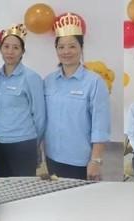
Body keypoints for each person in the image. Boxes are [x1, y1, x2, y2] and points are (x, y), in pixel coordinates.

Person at [44, 13, 110, 180]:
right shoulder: (48, 81)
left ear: (81, 48)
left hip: (80, 160)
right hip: (52, 156)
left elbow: (100, 125)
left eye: (72, 46)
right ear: (56, 50)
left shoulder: (94, 82)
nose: (66, 51)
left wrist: (96, 160)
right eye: (61, 47)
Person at [0, 24, 45, 177]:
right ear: (0, 49)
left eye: (15, 47)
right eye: (6, 46)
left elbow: (40, 116)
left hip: (23, 144)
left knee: (23, 187)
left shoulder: (31, 77)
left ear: (22, 51)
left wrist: (36, 144)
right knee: (2, 186)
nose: (10, 51)